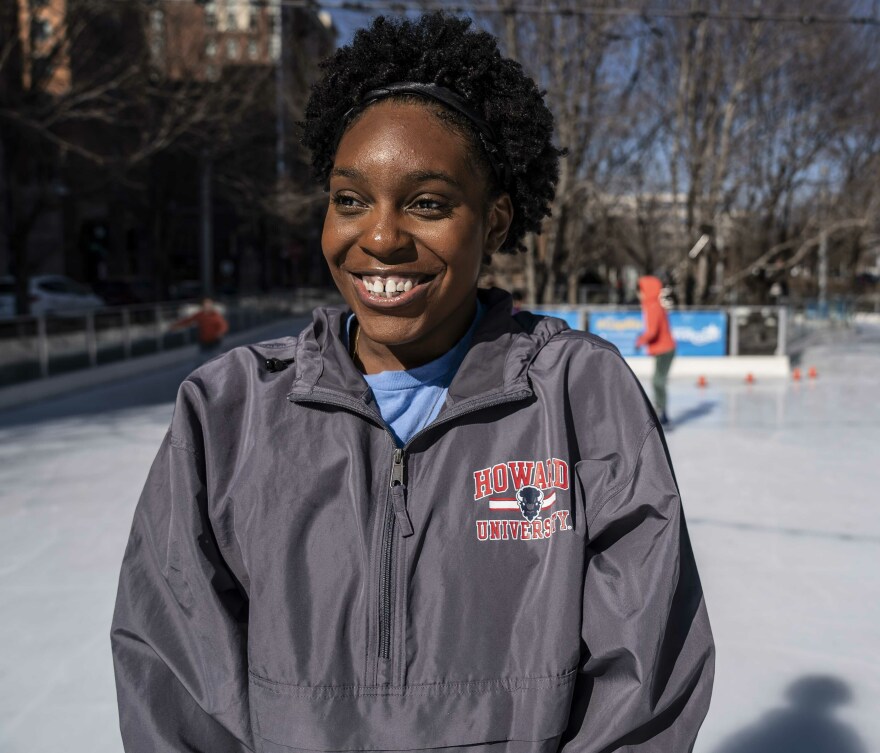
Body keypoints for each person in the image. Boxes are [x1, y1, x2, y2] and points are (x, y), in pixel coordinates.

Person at [111, 14, 714, 753]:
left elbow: (644, 684)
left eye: (427, 202)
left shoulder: (580, 396)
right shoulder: (225, 413)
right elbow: (175, 690)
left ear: (493, 223)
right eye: (350, 198)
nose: (381, 236)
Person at [635, 275, 676, 426]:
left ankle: (662, 412)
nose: (638, 295)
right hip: (663, 349)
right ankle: (660, 410)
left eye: (640, 291)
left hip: (665, 349)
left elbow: (652, 331)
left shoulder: (652, 306)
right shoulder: (653, 305)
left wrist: (640, 341)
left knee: (658, 381)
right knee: (657, 380)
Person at [170, 296, 229, 360]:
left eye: (208, 304)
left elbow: (223, 325)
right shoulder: (200, 315)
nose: (207, 306)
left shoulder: (216, 315)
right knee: (202, 360)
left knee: (216, 358)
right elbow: (188, 320)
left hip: (214, 341)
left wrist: (220, 332)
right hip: (204, 342)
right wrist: (176, 325)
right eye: (205, 305)